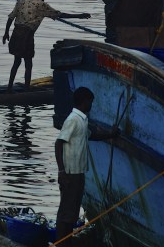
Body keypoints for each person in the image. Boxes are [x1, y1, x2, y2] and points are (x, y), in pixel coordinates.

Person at [54, 87, 116, 241]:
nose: (91, 105)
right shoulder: (73, 119)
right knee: (66, 211)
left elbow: (91, 135)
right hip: (70, 173)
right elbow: (59, 143)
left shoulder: (83, 119)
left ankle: (66, 240)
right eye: (90, 102)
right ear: (84, 101)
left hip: (79, 172)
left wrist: (110, 134)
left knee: (73, 211)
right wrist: (62, 171)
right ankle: (61, 242)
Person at [3, 0, 90, 91]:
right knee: (28, 63)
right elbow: (60, 14)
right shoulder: (41, 5)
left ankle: (9, 88)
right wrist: (79, 16)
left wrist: (6, 32)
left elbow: (11, 17)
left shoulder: (22, 0)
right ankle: (26, 89)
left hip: (16, 33)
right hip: (27, 35)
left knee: (17, 61)